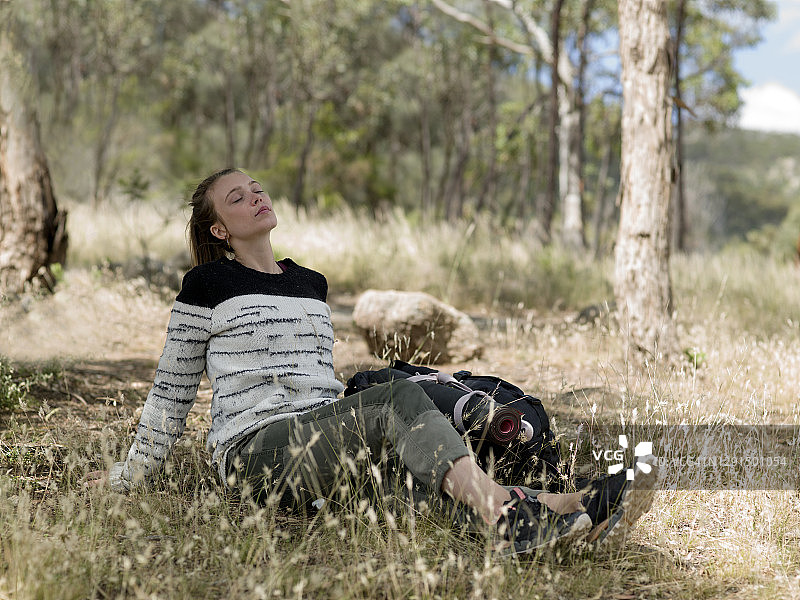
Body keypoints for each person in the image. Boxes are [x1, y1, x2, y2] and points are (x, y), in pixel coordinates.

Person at [88, 168, 657, 556]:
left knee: (418, 489)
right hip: (256, 451)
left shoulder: (309, 284)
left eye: (256, 188)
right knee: (394, 401)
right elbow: (171, 392)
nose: (255, 197)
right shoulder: (206, 285)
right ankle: (512, 517)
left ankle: (572, 512)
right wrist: (128, 481)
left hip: (324, 439)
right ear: (218, 228)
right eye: (236, 197)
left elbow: (315, 381)